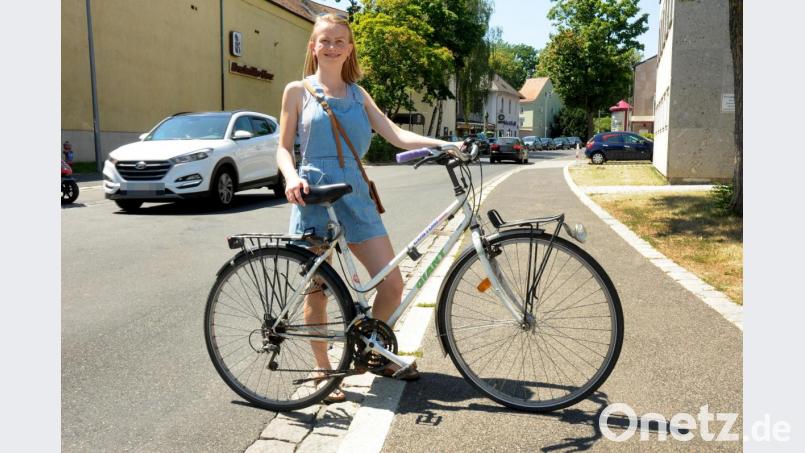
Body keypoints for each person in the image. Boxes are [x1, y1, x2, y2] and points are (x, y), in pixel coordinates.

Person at [276, 13, 452, 402]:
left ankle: (374, 349)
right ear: (313, 46)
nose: (333, 46)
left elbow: (395, 134)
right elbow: (283, 148)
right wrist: (290, 177)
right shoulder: (297, 90)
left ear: (350, 47)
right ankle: (323, 369)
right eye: (326, 40)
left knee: (392, 282)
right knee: (318, 289)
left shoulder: (358, 94)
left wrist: (441, 144)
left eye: (341, 40)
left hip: (355, 190)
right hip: (313, 192)